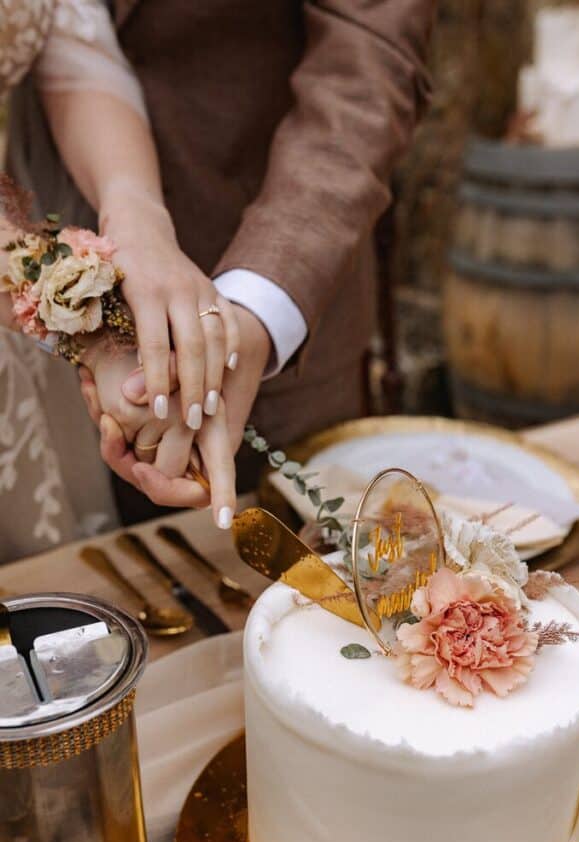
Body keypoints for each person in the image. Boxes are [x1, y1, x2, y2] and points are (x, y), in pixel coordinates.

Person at [8, 0, 435, 526]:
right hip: (66, 311)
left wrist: (139, 220)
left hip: (283, 268)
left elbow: (76, 54)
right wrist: (88, 330)